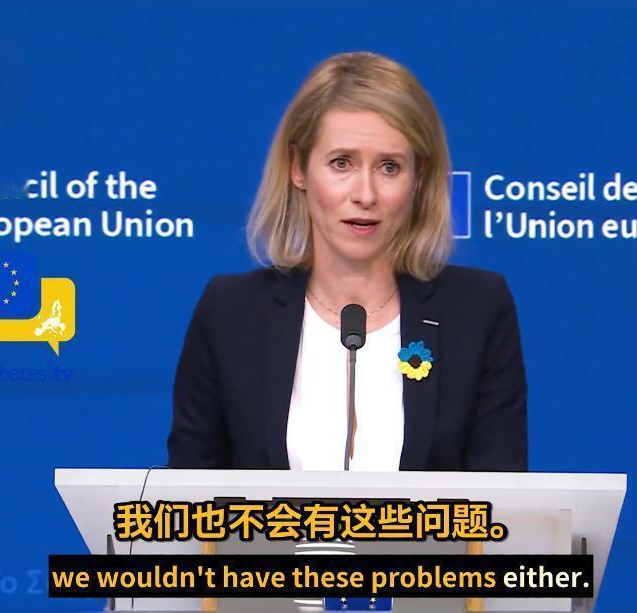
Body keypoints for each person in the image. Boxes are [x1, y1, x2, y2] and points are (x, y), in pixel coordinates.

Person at [168, 51, 526, 471]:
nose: (365, 194)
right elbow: (189, 495)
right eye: (342, 163)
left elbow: (502, 499)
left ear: (418, 177)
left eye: (389, 167)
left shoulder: (477, 310)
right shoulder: (230, 312)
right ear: (298, 168)